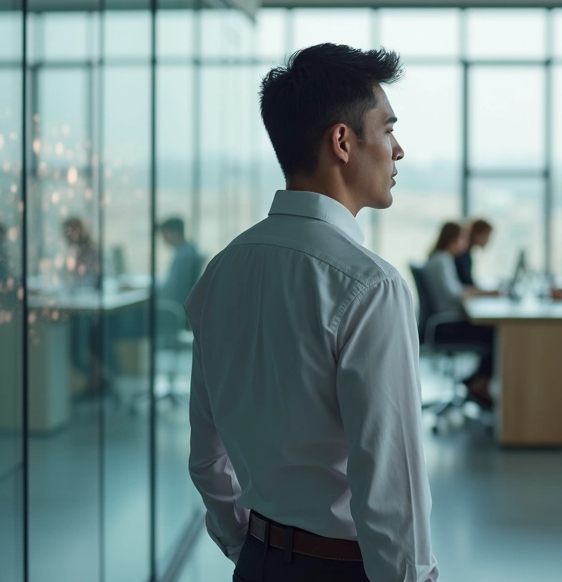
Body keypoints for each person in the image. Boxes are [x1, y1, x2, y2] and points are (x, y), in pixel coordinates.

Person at [185, 44, 437, 582]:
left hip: (256, 562)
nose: (399, 150)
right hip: (343, 569)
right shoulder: (372, 287)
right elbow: (391, 491)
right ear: (342, 141)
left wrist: (247, 547)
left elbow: (207, 458)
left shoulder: (222, 270)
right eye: (388, 129)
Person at [426, 221, 500, 409]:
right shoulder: (442, 260)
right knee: (495, 334)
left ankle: (475, 380)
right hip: (446, 324)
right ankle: (479, 382)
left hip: (446, 320)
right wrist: (483, 293)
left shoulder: (440, 259)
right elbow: (455, 293)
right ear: (453, 239)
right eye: (462, 239)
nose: (465, 244)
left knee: (493, 331)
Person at [157, 217, 202, 305]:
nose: (163, 238)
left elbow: (173, 289)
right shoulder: (187, 250)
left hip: (176, 305)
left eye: (165, 234)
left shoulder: (184, 255)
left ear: (174, 233)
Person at [454, 218, 492, 288]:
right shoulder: (462, 255)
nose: (488, 239)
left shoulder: (466, 253)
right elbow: (466, 284)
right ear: (478, 234)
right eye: (487, 235)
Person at [62, 217, 100, 288]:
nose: (69, 235)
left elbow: (89, 276)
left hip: (87, 290)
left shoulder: (90, 251)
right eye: (67, 232)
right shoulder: (72, 250)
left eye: (71, 231)